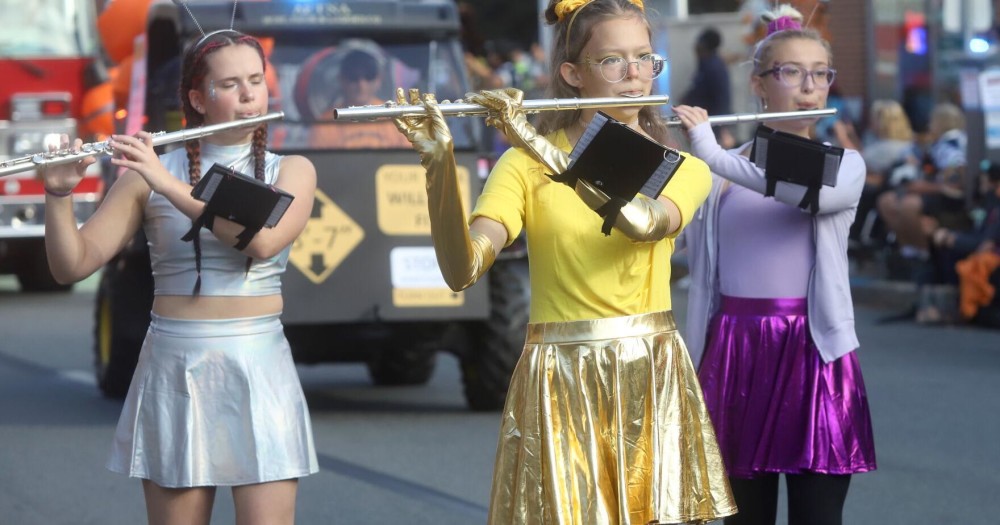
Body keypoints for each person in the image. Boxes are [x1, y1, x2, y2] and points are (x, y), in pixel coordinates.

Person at [392, 1, 737, 523]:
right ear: (572, 73)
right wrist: (439, 166)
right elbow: (461, 271)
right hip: (559, 373)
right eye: (613, 61)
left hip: (649, 364)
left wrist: (532, 139)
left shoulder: (685, 168)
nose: (634, 74)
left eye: (644, 58)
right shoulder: (520, 166)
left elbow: (640, 223)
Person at [40, 29, 318, 524]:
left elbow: (263, 241)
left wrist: (166, 183)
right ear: (198, 98)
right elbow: (72, 266)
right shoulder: (144, 177)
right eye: (231, 84)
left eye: (256, 80)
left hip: (259, 362)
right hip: (175, 364)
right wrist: (59, 198)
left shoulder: (291, 170)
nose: (250, 94)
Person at [672, 4, 876, 525]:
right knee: (744, 518)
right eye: (791, 72)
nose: (809, 86)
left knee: (817, 517)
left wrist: (714, 157)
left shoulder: (845, 166)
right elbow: (662, 234)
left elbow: (812, 197)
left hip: (814, 351)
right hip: (735, 350)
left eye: (820, 74)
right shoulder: (714, 173)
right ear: (760, 84)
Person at [876, 102, 969, 270]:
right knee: (887, 201)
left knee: (909, 205)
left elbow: (955, 180)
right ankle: (908, 250)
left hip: (948, 197)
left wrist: (922, 185)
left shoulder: (952, 143)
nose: (930, 125)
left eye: (933, 121)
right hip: (929, 189)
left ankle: (922, 254)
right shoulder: (935, 142)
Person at [309, 46, 412, 149]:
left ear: (379, 80)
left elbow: (405, 161)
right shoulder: (325, 123)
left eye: (369, 76)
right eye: (354, 77)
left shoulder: (395, 119)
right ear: (341, 80)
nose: (362, 85)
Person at [681, 27, 735, 148]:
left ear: (704, 45)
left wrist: (723, 128)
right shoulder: (705, 63)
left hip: (712, 125)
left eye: (698, 43)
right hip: (702, 123)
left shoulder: (714, 67)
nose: (695, 46)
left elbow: (722, 98)